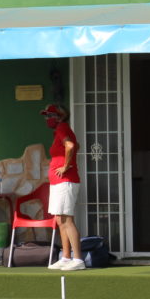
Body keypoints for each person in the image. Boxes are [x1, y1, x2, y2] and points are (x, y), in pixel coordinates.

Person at [41, 104, 85, 271]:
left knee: (67, 220)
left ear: (59, 116)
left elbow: (71, 146)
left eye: (49, 115)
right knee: (60, 220)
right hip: (58, 182)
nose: (47, 119)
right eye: (45, 116)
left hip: (66, 181)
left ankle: (78, 259)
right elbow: (76, 145)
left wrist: (66, 166)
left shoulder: (62, 127)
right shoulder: (60, 130)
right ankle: (66, 257)